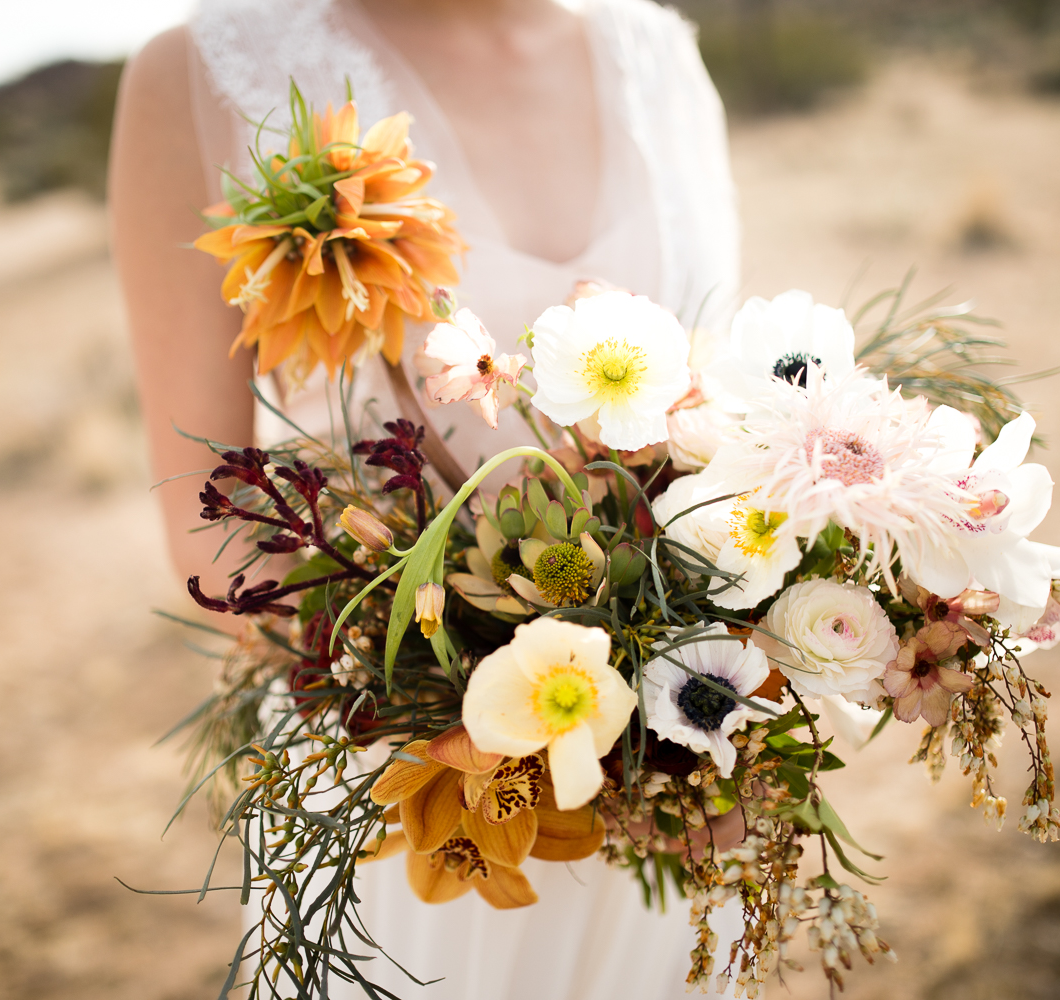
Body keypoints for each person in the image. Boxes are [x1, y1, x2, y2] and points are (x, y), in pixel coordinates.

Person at [109, 0, 740, 995]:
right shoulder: (201, 73)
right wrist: (479, 727)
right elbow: (209, 520)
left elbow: (724, 397)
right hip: (420, 789)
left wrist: (713, 682)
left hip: (687, 749)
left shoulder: (656, 52)